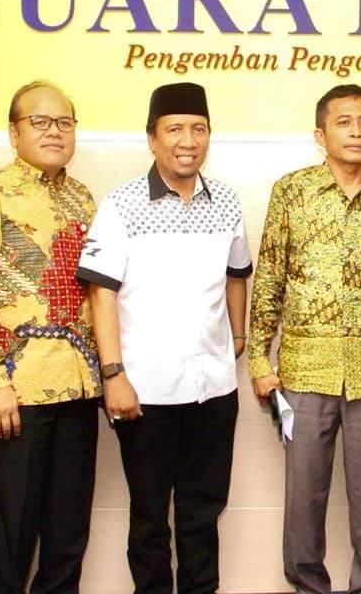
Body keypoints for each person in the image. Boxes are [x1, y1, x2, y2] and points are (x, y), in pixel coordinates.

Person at [248, 84, 361, 594]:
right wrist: (259, 360)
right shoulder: (292, 191)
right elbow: (270, 278)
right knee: (304, 494)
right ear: (320, 134)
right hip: (306, 368)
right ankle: (307, 586)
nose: (356, 132)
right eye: (344, 122)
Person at [77, 82, 252, 594]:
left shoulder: (226, 201)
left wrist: (237, 335)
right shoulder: (121, 204)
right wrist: (114, 374)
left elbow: (237, 273)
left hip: (214, 390)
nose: (188, 141)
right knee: (150, 516)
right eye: (175, 129)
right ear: (152, 139)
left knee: (204, 510)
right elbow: (101, 294)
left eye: (199, 129)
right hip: (145, 392)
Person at [0, 81, 101, 594]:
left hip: (79, 388)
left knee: (67, 533)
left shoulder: (82, 197)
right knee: (9, 533)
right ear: (14, 132)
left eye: (64, 122)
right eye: (40, 122)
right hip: (14, 392)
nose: (54, 132)